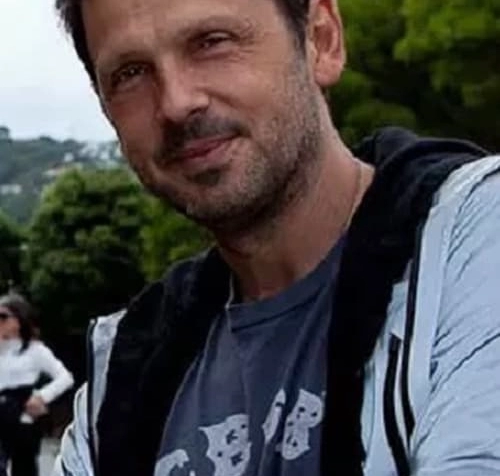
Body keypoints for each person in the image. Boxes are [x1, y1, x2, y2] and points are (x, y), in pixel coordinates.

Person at [52, 0, 500, 474]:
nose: (176, 102)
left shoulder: (469, 246)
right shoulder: (123, 373)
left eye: (211, 42)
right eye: (130, 73)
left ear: (321, 39)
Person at [0, 294, 74, 476]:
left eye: (3, 317)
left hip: (22, 412)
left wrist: (41, 397)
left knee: (24, 466)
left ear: (19, 320)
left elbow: (65, 377)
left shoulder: (35, 351)